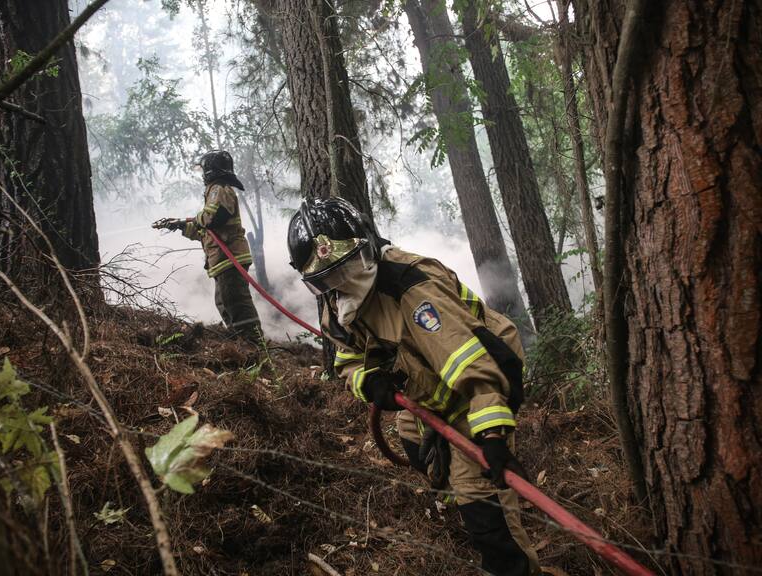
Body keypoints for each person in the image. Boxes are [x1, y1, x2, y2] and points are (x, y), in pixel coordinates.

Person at [287, 197, 540, 576]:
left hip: (480, 382)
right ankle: (456, 487)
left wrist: (492, 435)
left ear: (369, 245)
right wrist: (370, 381)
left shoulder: (411, 288)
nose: (343, 283)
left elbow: (471, 363)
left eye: (349, 267)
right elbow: (347, 360)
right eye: (328, 279)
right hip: (426, 387)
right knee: (416, 448)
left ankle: (509, 558)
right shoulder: (335, 307)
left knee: (486, 511)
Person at [155, 150, 264, 345]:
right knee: (224, 301)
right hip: (222, 260)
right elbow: (206, 233)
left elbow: (212, 218)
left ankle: (254, 342)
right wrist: (182, 226)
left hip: (230, 258)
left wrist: (195, 218)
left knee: (237, 303)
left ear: (210, 170)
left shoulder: (218, 189)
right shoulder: (216, 191)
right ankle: (240, 340)